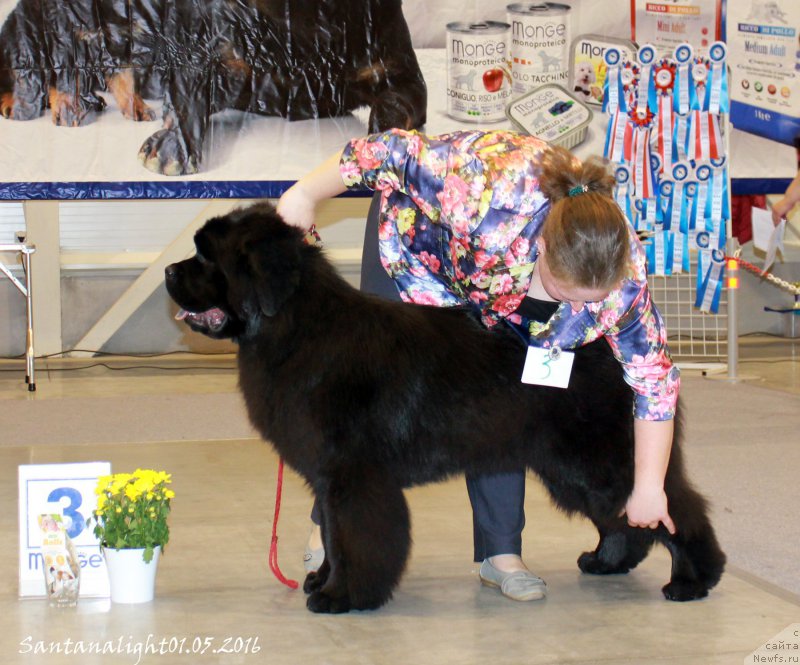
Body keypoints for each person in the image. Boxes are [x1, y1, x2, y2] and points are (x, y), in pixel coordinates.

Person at [277, 128, 679, 602]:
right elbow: (389, 150)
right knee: (368, 410)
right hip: (415, 257)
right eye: (569, 296)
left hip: (503, 302)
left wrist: (650, 485)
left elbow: (655, 384)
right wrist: (305, 192)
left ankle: (500, 552)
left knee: (500, 409)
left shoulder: (624, 281)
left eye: (592, 304)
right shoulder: (486, 194)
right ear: (544, 249)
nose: (578, 310)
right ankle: (333, 529)